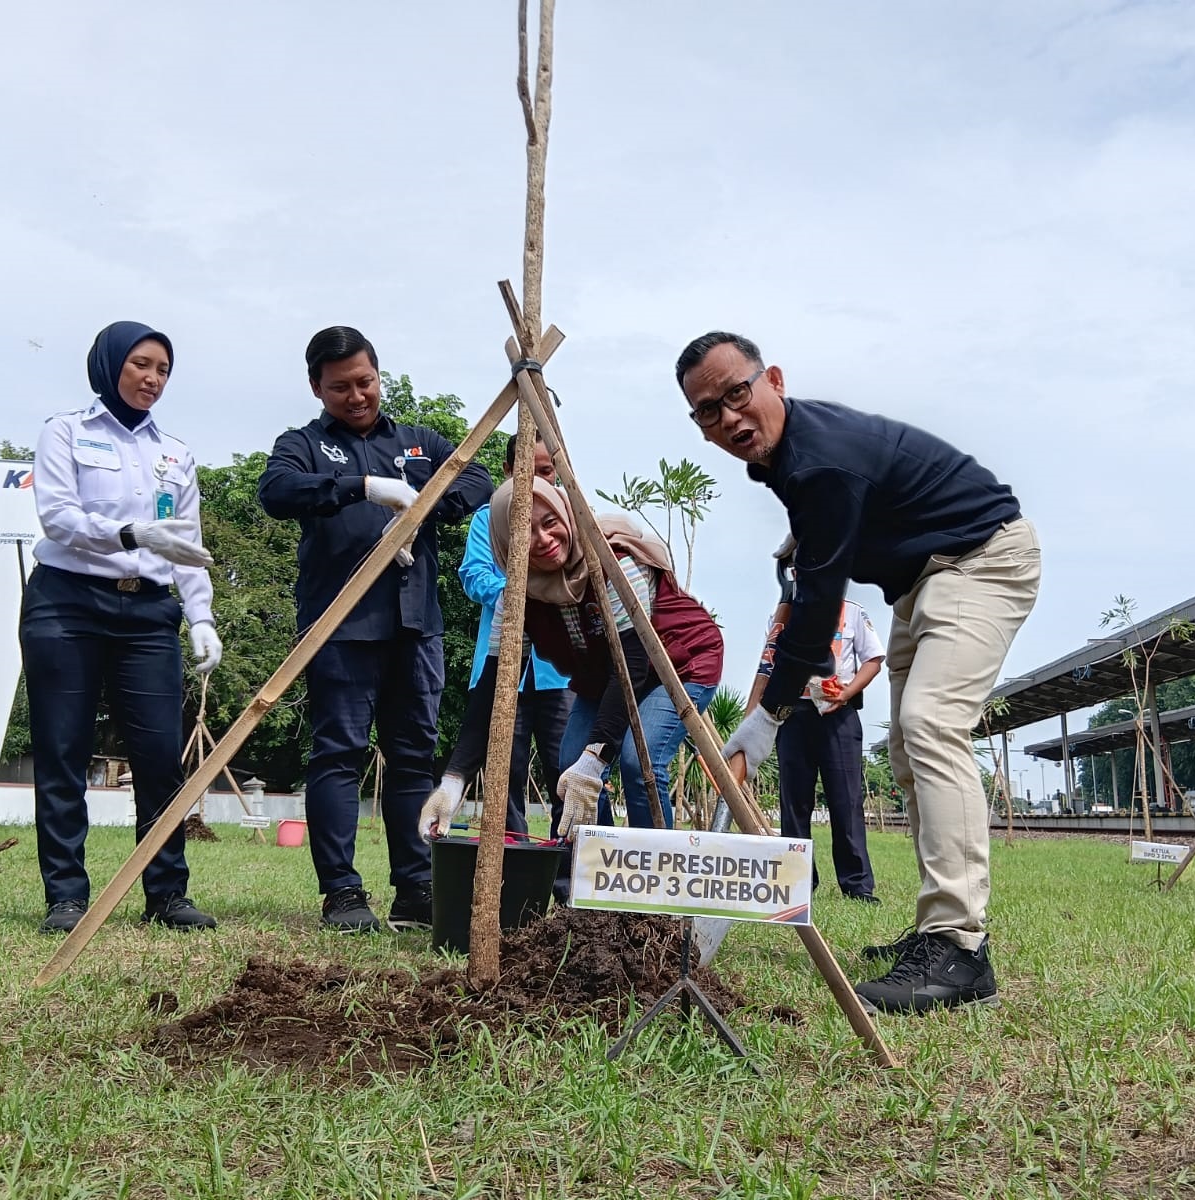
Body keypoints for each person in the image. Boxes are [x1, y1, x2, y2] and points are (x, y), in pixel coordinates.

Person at [677, 331, 1040, 1015]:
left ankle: (958, 950)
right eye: (708, 410)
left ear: (772, 379)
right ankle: (937, 929)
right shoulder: (792, 457)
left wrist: (765, 716)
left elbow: (817, 617)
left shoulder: (818, 463)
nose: (729, 417)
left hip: (982, 558)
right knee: (906, 749)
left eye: (737, 393)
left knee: (931, 726)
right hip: (923, 581)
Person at [258, 326, 492, 933]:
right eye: (340, 387)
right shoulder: (303, 444)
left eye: (365, 382)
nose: (357, 395)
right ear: (317, 387)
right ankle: (341, 892)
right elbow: (277, 492)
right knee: (338, 755)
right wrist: (361, 488)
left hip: (416, 625)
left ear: (378, 375)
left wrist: (418, 506)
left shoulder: (419, 442)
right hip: (339, 626)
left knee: (414, 759)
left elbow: (476, 479)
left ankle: (415, 887)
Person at [21, 322, 221, 935]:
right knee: (63, 750)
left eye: (162, 369)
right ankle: (66, 896)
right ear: (109, 365)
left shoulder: (174, 453)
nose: (152, 378)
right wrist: (130, 534)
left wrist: (201, 617)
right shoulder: (65, 431)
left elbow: (186, 544)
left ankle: (166, 892)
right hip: (67, 604)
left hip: (147, 612)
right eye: (140, 364)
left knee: (162, 755)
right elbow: (57, 516)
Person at [419, 477, 723, 844]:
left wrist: (594, 762)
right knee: (569, 765)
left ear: (567, 515)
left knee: (636, 761)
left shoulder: (613, 564)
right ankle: (602, 872)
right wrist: (452, 783)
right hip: (603, 677)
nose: (544, 540)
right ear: (506, 543)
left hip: (678, 664)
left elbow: (633, 665)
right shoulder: (516, 597)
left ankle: (654, 874)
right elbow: (493, 685)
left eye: (550, 523)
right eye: (525, 531)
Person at [748, 535, 884, 902]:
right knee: (794, 801)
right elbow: (770, 664)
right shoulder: (782, 615)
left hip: (839, 719)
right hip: (794, 715)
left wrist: (849, 690)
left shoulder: (853, 612)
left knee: (846, 801)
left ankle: (857, 886)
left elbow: (873, 659)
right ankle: (797, 882)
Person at [457, 434, 573, 837]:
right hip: (502, 664)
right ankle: (509, 862)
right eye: (528, 471)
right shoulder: (487, 519)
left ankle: (566, 872)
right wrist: (516, 591)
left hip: (560, 669)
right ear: (508, 471)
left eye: (546, 471)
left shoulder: (569, 518)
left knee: (566, 767)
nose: (538, 480)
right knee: (505, 767)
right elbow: (473, 575)